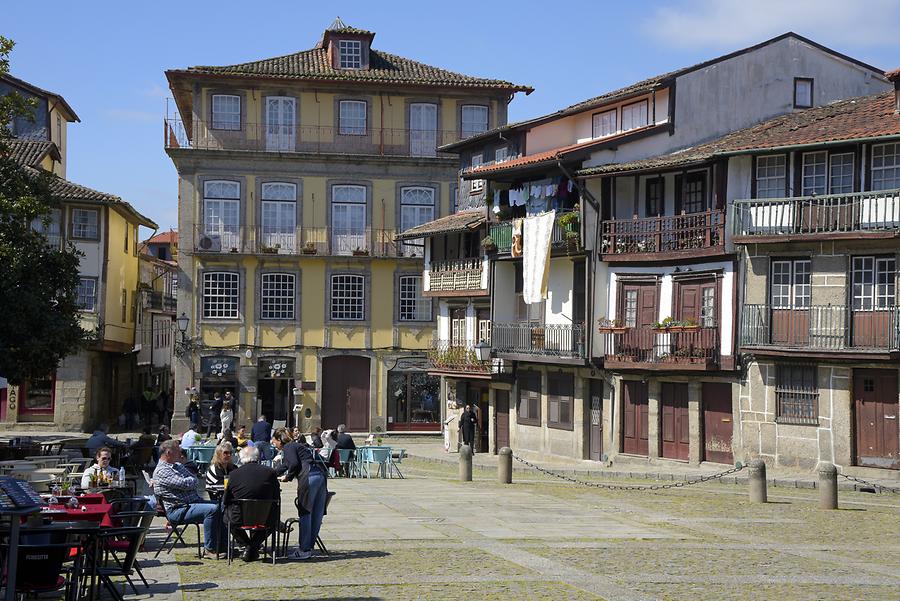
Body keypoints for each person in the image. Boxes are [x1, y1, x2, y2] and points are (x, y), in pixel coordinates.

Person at [153, 439, 222, 556]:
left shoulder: (177, 465)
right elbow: (186, 484)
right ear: (168, 453)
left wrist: (190, 481)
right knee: (212, 510)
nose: (180, 454)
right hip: (178, 509)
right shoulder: (162, 471)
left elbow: (194, 479)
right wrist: (190, 481)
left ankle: (222, 546)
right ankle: (209, 549)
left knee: (223, 506)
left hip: (193, 503)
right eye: (177, 451)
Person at [272, 428, 327, 561]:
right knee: (316, 514)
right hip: (320, 476)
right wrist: (271, 473)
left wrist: (288, 477)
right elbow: (286, 465)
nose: (274, 444)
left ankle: (304, 549)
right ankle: (309, 546)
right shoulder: (297, 446)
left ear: (280, 440)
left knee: (305, 512)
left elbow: (294, 464)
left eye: (274, 441)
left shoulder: (289, 447)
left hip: (308, 477)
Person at [222, 445, 280, 562]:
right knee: (273, 517)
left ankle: (248, 545)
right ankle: (253, 546)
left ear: (241, 458)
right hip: (265, 517)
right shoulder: (270, 473)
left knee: (227, 518)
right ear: (257, 457)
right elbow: (276, 496)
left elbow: (226, 499)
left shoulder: (234, 474)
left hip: (240, 518)